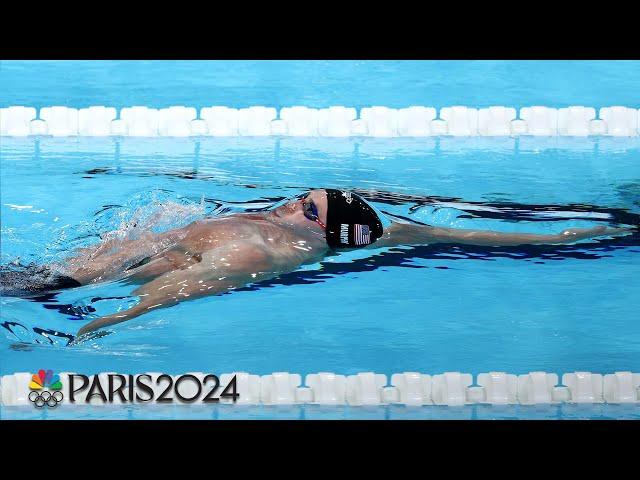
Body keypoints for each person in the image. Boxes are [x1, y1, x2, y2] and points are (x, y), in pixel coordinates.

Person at [0, 189, 631, 338]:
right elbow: (453, 232)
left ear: (316, 226)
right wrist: (578, 230)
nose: (290, 200)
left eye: (303, 202)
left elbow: (183, 291)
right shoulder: (364, 232)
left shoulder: (260, 247)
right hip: (65, 271)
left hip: (49, 291)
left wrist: (96, 328)